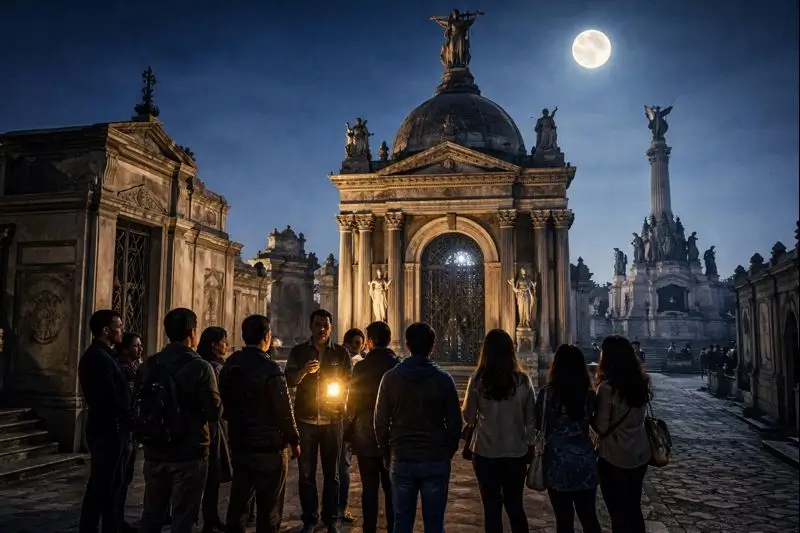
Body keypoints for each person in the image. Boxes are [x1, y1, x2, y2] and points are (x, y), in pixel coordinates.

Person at [137, 308, 223, 533]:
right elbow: (215, 412)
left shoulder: (150, 364)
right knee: (184, 518)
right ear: (193, 332)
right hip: (189, 452)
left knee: (151, 515)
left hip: (155, 449)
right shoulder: (201, 367)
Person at [375, 322, 462, 533]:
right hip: (434, 459)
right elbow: (455, 424)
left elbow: (379, 422)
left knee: (402, 524)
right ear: (433, 346)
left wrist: (387, 453)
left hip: (402, 457)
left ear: (407, 345)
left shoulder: (391, 378)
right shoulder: (444, 380)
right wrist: (445, 453)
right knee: (434, 524)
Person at [221, 314, 301, 533]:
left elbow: (223, 402)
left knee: (238, 505)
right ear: (267, 337)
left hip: (240, 444)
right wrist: (294, 439)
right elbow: (284, 410)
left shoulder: (231, 365)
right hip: (269, 448)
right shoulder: (271, 369)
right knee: (269, 508)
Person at [285, 309, 353, 533]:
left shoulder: (341, 354)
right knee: (306, 474)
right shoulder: (299, 352)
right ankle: (310, 519)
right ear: (310, 327)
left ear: (331, 327)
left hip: (333, 421)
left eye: (325, 325)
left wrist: (341, 401)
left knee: (332, 473)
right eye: (317, 324)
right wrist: (304, 371)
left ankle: (331, 517)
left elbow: (349, 383)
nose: (322, 329)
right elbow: (289, 380)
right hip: (306, 420)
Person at [462, 329, 536, 533]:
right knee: (515, 506)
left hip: (485, 451)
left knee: (491, 508)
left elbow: (468, 417)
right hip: (516, 451)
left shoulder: (477, 380)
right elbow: (531, 420)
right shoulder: (523, 381)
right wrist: (531, 445)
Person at [536, 344, 601, 533]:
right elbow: (595, 423)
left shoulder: (546, 394)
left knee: (563, 520)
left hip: (557, 462)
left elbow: (539, 423)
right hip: (584, 460)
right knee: (589, 517)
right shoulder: (589, 395)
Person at [78, 310, 132, 533]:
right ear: (106, 330)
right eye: (118, 325)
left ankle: (113, 526)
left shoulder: (108, 355)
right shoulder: (97, 358)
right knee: (102, 486)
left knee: (114, 485)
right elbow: (107, 397)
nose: (122, 330)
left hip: (114, 428)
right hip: (107, 429)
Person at [594, 335, 652, 533]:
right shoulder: (641, 383)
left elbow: (602, 427)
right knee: (634, 507)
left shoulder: (607, 389)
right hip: (639, 452)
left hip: (613, 456)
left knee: (617, 511)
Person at [346, 321, 400, 533]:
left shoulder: (361, 366)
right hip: (392, 431)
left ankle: (369, 528)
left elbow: (352, 401)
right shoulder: (398, 365)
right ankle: (393, 526)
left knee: (369, 486)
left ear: (369, 341)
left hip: (365, 430)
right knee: (391, 486)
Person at [196, 326, 231, 533]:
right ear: (214, 345)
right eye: (224, 341)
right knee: (209, 475)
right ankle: (207, 519)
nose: (226, 345)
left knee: (212, 478)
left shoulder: (209, 364)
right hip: (212, 426)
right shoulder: (213, 367)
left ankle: (211, 517)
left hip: (213, 425)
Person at [114, 332, 143, 533]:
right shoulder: (123, 369)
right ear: (124, 349)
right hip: (122, 430)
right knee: (118, 479)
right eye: (135, 346)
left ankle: (117, 519)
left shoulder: (134, 367)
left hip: (132, 431)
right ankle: (113, 521)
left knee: (126, 479)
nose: (139, 349)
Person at [338, 328, 366, 523]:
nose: (358, 347)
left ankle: (340, 507)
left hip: (350, 418)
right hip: (335, 416)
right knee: (337, 466)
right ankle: (334, 507)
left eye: (360, 343)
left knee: (343, 466)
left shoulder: (363, 363)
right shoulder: (339, 359)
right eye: (355, 343)